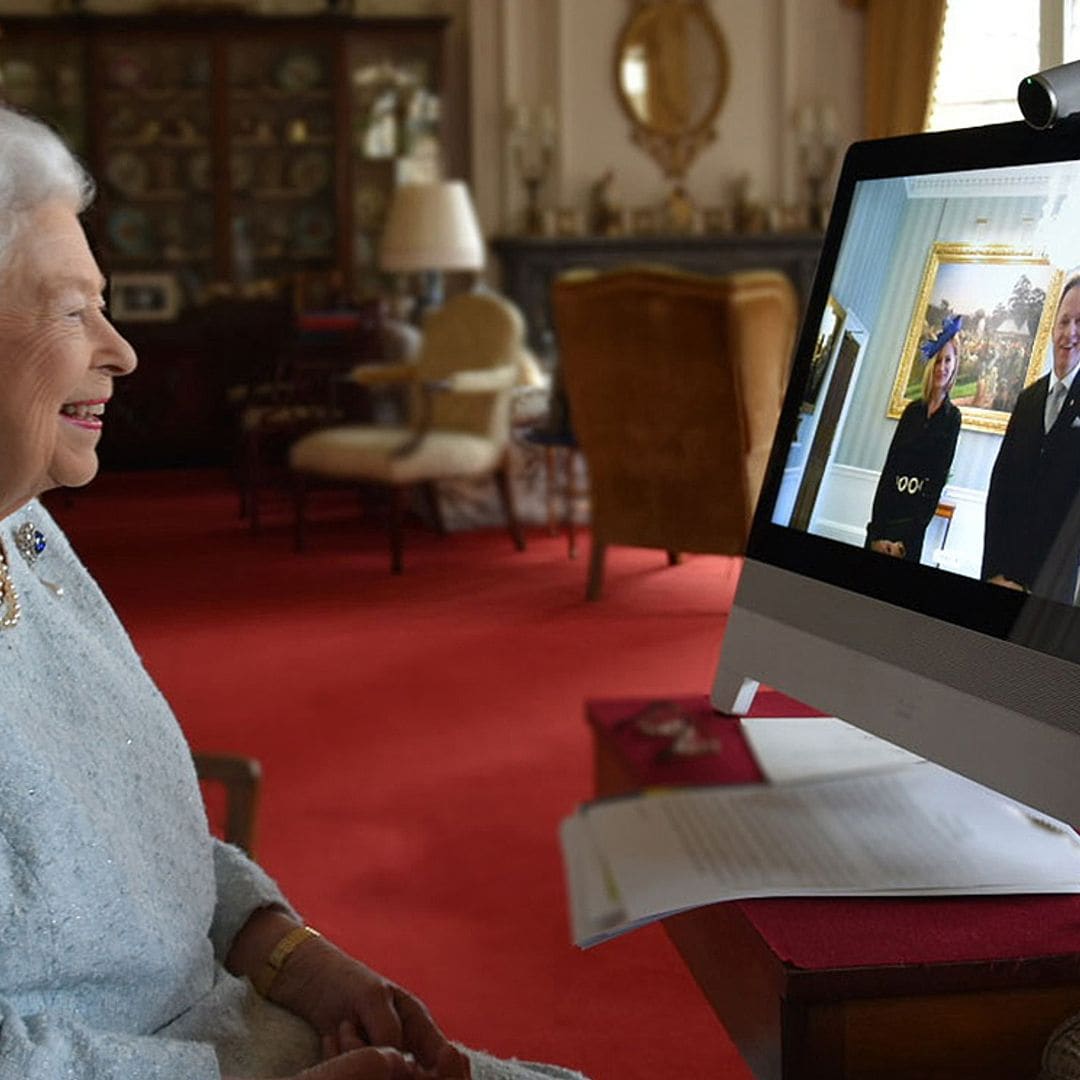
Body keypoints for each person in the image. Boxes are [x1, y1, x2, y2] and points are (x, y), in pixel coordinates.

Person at [0, 107, 588, 1080]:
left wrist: (291, 955)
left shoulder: (24, 529)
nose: (122, 350)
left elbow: (149, 844)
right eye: (73, 310)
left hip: (252, 1029)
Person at [983, 275, 1080, 601]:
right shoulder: (1027, 400)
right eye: (1064, 321)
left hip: (1048, 596)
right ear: (1052, 327)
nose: (1070, 333)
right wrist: (994, 573)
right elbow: (1000, 491)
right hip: (1001, 579)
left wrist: (1038, 588)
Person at [865, 315, 962, 562]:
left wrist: (905, 541)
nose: (942, 367)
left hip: (910, 530)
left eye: (948, 360)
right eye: (938, 360)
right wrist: (876, 532)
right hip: (887, 513)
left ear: (955, 363)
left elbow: (937, 481)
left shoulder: (953, 418)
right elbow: (890, 469)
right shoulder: (911, 411)